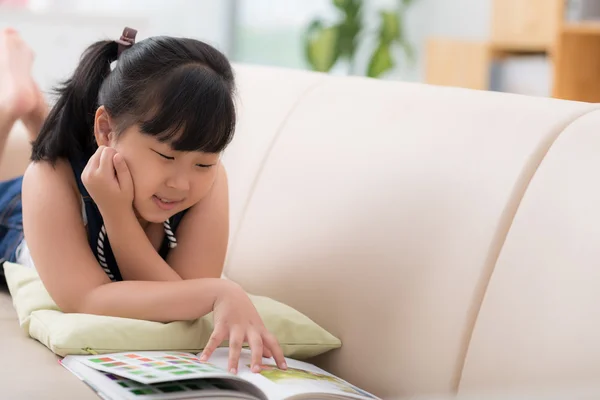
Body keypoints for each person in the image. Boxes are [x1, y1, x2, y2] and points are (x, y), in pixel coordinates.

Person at [0, 27, 287, 375]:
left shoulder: (208, 180)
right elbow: (88, 299)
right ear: (106, 130)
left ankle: (33, 111)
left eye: (204, 162)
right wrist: (217, 291)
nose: (182, 182)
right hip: (21, 215)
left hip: (98, 174)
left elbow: (180, 295)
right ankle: (12, 103)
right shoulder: (47, 178)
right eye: (166, 156)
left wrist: (118, 213)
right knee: (48, 162)